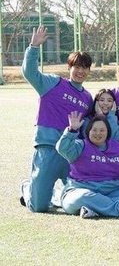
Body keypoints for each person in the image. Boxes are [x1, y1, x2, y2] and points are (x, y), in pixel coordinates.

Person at [19, 26, 94, 213]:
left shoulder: (87, 98)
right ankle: (29, 188)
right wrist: (33, 47)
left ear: (89, 70)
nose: (80, 71)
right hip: (48, 148)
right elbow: (30, 73)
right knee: (39, 207)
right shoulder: (53, 83)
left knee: (77, 198)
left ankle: (54, 193)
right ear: (69, 68)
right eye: (77, 67)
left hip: (70, 153)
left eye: (84, 67)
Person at [55, 112, 119, 218]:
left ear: (108, 132)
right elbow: (62, 149)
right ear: (88, 131)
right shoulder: (80, 145)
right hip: (81, 189)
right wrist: (72, 130)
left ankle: (93, 210)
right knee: (82, 197)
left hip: (112, 191)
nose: (98, 133)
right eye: (94, 130)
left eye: (102, 130)